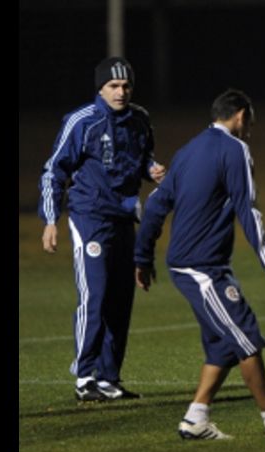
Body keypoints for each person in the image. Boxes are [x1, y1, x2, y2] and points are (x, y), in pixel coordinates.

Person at [134, 89, 265, 441]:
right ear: (240, 116)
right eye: (250, 121)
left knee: (223, 345)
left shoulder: (186, 151)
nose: (250, 129)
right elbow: (249, 211)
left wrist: (143, 256)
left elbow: (154, 206)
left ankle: (195, 418)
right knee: (246, 337)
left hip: (196, 265)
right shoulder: (235, 149)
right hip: (200, 268)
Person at [38, 56, 166, 402]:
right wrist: (51, 220)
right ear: (100, 88)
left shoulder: (140, 119)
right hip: (89, 217)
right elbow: (54, 171)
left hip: (125, 217)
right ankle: (84, 376)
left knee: (120, 299)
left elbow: (141, 158)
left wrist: (152, 169)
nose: (120, 92)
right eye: (113, 85)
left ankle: (109, 378)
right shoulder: (82, 121)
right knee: (94, 293)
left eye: (126, 86)